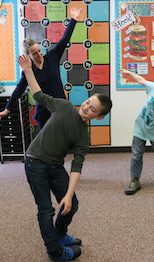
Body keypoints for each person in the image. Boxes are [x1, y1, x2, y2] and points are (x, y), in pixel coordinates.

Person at [18, 54, 112, 261]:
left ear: (99, 117)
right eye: (88, 103)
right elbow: (39, 96)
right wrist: (27, 71)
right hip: (34, 162)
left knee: (72, 204)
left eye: (92, 110)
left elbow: (77, 166)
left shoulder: (83, 137)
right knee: (46, 210)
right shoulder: (65, 106)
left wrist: (68, 195)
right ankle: (55, 251)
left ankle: (59, 235)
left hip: (55, 166)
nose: (86, 108)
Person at [0, 7, 82, 129]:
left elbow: (64, 39)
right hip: (44, 113)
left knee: (63, 140)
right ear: (28, 55)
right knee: (48, 144)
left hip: (61, 107)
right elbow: (19, 90)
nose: (39, 54)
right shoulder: (29, 71)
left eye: (39, 50)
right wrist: (7, 109)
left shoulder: (52, 57)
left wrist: (73, 19)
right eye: (34, 53)